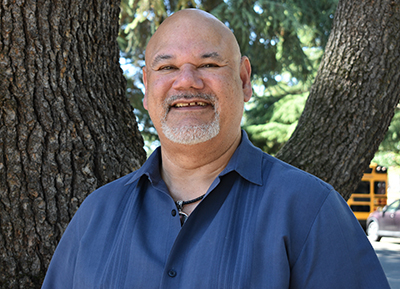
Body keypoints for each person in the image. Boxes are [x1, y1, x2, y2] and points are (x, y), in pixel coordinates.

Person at [42, 9, 390, 289]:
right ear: (147, 88)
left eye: (208, 64)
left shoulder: (310, 209)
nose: (187, 80)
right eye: (167, 67)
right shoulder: (96, 215)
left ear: (243, 80)